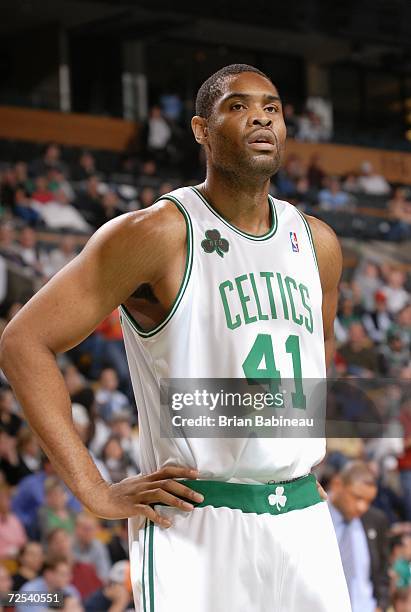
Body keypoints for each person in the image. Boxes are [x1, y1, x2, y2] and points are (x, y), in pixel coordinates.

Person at [0, 63, 349, 611]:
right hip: (198, 518)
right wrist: (95, 490)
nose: (260, 116)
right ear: (201, 130)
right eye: (238, 106)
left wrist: (287, 458)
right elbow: (23, 343)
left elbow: (311, 364)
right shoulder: (154, 234)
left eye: (272, 107)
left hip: (302, 519)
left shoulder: (318, 243)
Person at [328, 461, 390, 612]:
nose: (362, 507)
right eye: (357, 497)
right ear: (337, 485)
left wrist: (381, 605)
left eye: (369, 501)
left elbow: (382, 571)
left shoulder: (376, 520)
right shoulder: (314, 516)